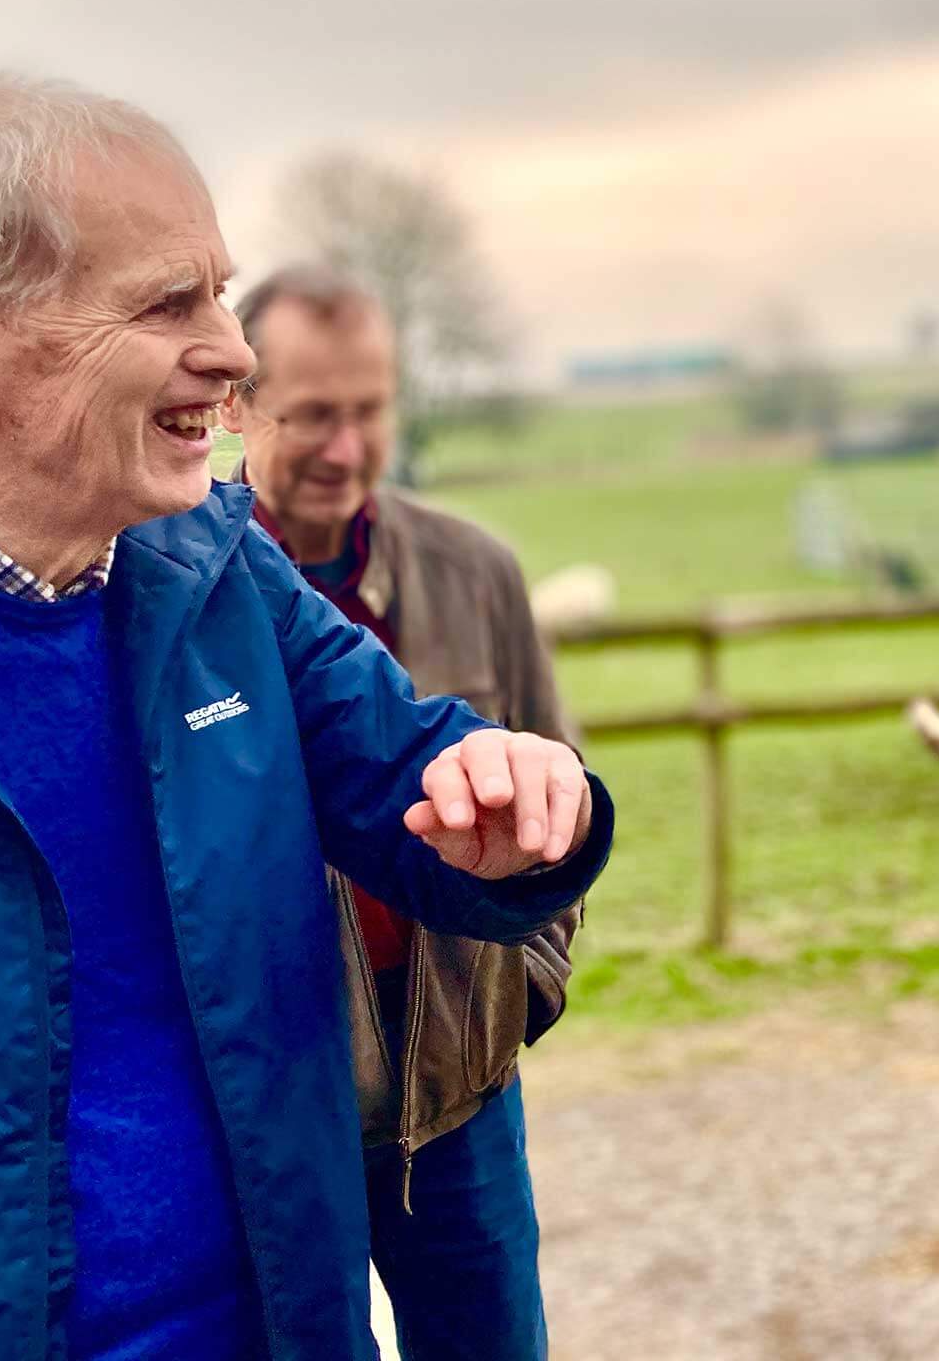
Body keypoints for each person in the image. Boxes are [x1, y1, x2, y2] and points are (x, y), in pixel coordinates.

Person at [0, 77, 614, 1360]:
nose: (234, 353)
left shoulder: (225, 576)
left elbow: (418, 779)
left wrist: (524, 798)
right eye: (169, 302)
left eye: (221, 291)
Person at [225, 265, 573, 1361]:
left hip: (459, 1091)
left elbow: (561, 790)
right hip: (277, 1104)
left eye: (368, 410)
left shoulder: (478, 573)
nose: (344, 446)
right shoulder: (179, 597)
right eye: (312, 413)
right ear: (237, 405)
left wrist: (525, 992)